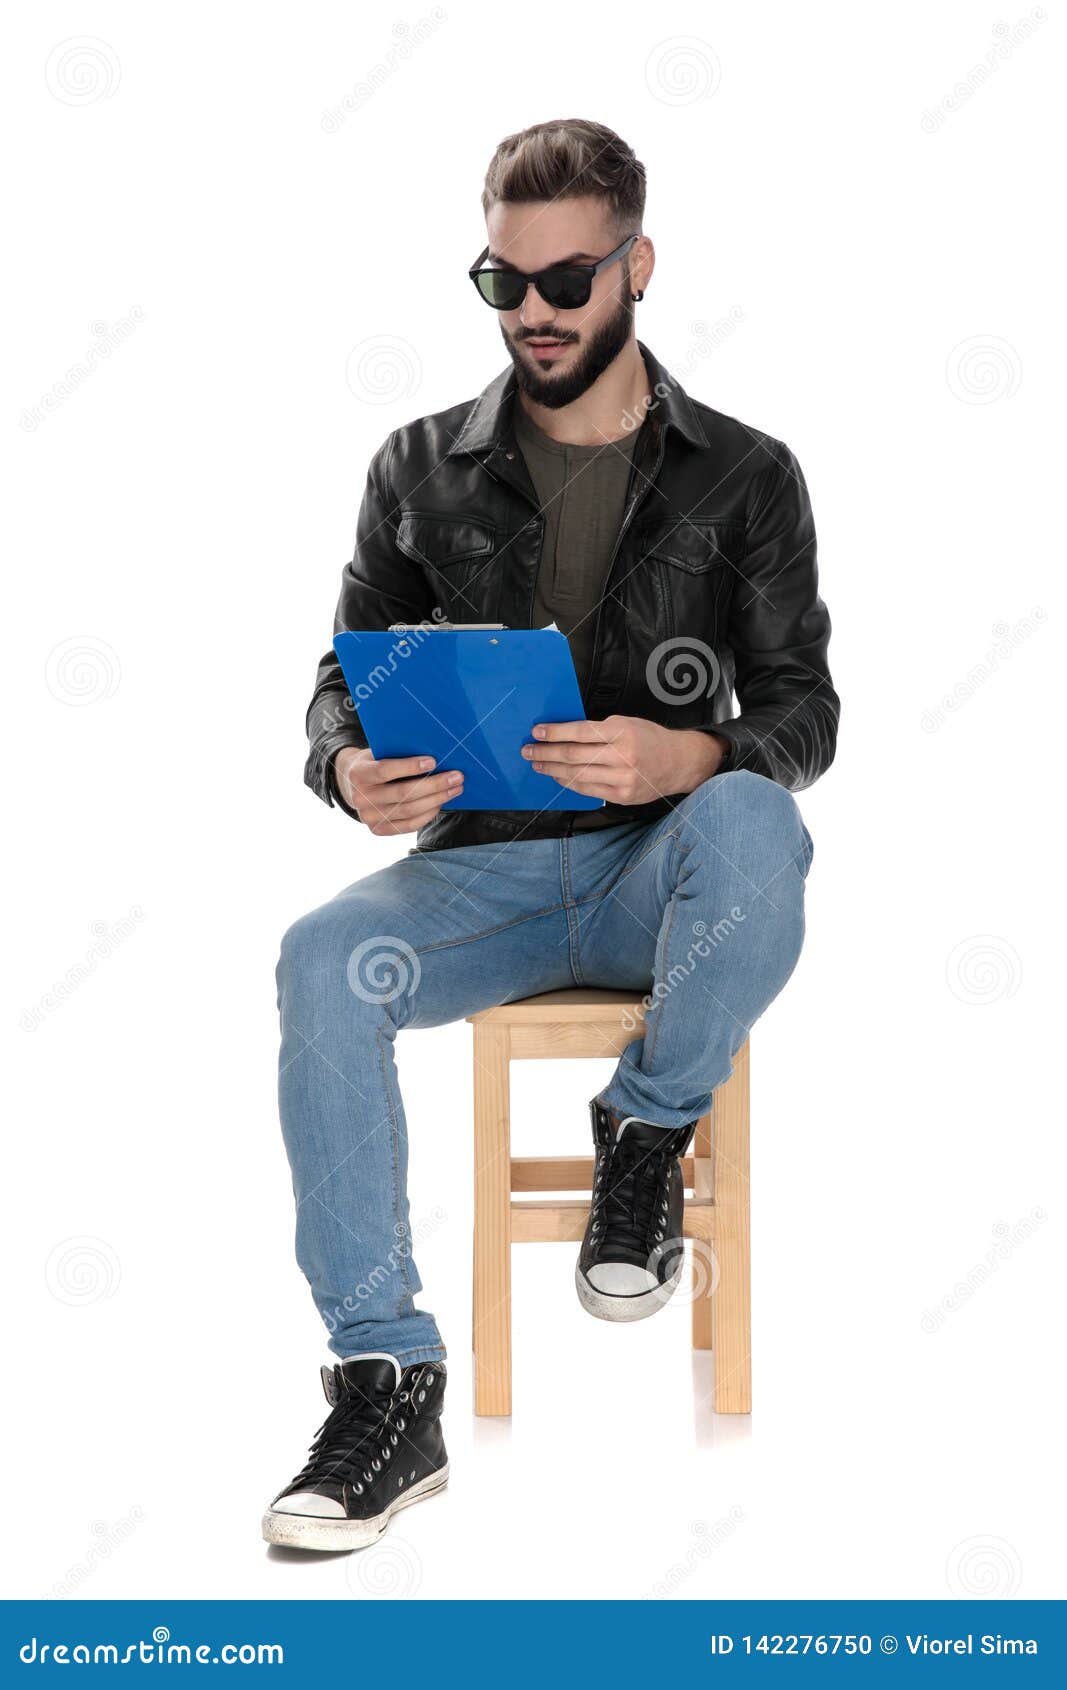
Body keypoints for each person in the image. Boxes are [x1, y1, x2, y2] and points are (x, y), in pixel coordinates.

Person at [262, 118, 839, 1552]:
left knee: (758, 821)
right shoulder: (418, 466)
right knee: (318, 957)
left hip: (669, 874)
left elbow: (804, 709)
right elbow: (342, 674)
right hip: (483, 878)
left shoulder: (746, 474)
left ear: (639, 266)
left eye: (567, 281)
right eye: (501, 282)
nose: (533, 312)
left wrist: (693, 752)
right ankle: (386, 1380)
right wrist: (349, 768)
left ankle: (643, 1130)